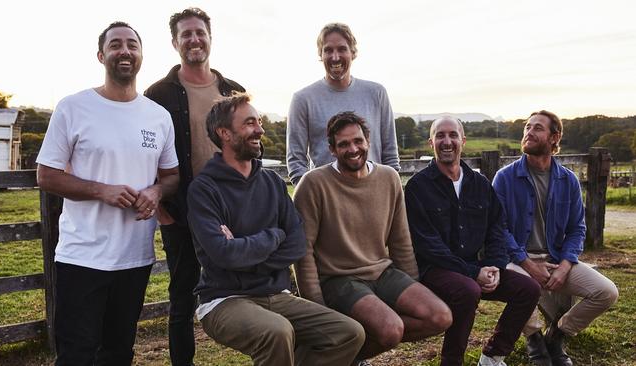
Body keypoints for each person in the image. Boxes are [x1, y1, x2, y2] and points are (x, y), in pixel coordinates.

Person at [36, 22, 179, 365]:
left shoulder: (158, 117)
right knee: (76, 355)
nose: (125, 51)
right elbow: (46, 176)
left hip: (134, 257)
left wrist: (156, 192)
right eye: (116, 45)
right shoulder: (73, 107)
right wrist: (102, 190)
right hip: (81, 256)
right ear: (102, 55)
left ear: (141, 55)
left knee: (118, 353)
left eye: (132, 44)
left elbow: (172, 176)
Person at [186, 93, 365, 366]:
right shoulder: (204, 189)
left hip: (275, 294)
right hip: (224, 299)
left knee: (348, 333)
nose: (259, 129)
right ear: (224, 133)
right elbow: (224, 255)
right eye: (249, 123)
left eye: (258, 121)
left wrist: (247, 251)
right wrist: (274, 235)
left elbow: (295, 243)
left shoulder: (272, 182)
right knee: (277, 331)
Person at [293, 111, 452, 364]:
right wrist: (317, 308)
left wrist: (410, 286)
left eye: (357, 141)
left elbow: (400, 240)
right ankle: (328, 354)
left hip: (382, 272)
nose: (353, 149)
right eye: (343, 144)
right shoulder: (313, 184)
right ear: (332, 149)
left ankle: (339, 354)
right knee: (390, 330)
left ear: (368, 140)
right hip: (339, 278)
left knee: (439, 317)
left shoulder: (388, 178)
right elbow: (303, 251)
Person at [144, 8, 245, 365]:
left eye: (199, 33)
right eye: (185, 35)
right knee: (182, 299)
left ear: (209, 38)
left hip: (230, 212)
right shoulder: (157, 94)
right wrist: (163, 215)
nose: (193, 40)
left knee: (249, 290)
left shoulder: (231, 89)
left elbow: (250, 146)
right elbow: (145, 158)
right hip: (181, 215)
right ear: (175, 43)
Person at [404, 116, 541, 366]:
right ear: (430, 142)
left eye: (453, 135)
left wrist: (495, 267)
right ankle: (452, 361)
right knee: (468, 290)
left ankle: (493, 356)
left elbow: (497, 229)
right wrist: (473, 272)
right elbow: (427, 245)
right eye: (440, 136)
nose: (447, 142)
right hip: (435, 269)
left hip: (477, 267)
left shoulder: (480, 184)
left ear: (463, 141)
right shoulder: (417, 187)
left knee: (529, 288)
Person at [493, 110, 619, 366]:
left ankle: (557, 335)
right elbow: (497, 229)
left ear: (554, 137)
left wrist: (565, 265)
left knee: (607, 292)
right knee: (523, 286)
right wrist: (527, 263)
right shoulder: (504, 178)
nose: (528, 132)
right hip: (517, 259)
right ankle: (535, 340)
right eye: (527, 127)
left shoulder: (568, 180)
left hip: (555, 259)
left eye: (537, 128)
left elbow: (577, 229)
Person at [286, 22, 400, 185]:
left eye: (342, 49)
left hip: (373, 196)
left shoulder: (376, 93)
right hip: (326, 200)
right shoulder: (303, 99)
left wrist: (387, 191)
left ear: (353, 53)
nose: (335, 57)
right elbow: (296, 160)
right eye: (328, 50)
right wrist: (312, 196)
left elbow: (390, 155)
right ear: (320, 54)